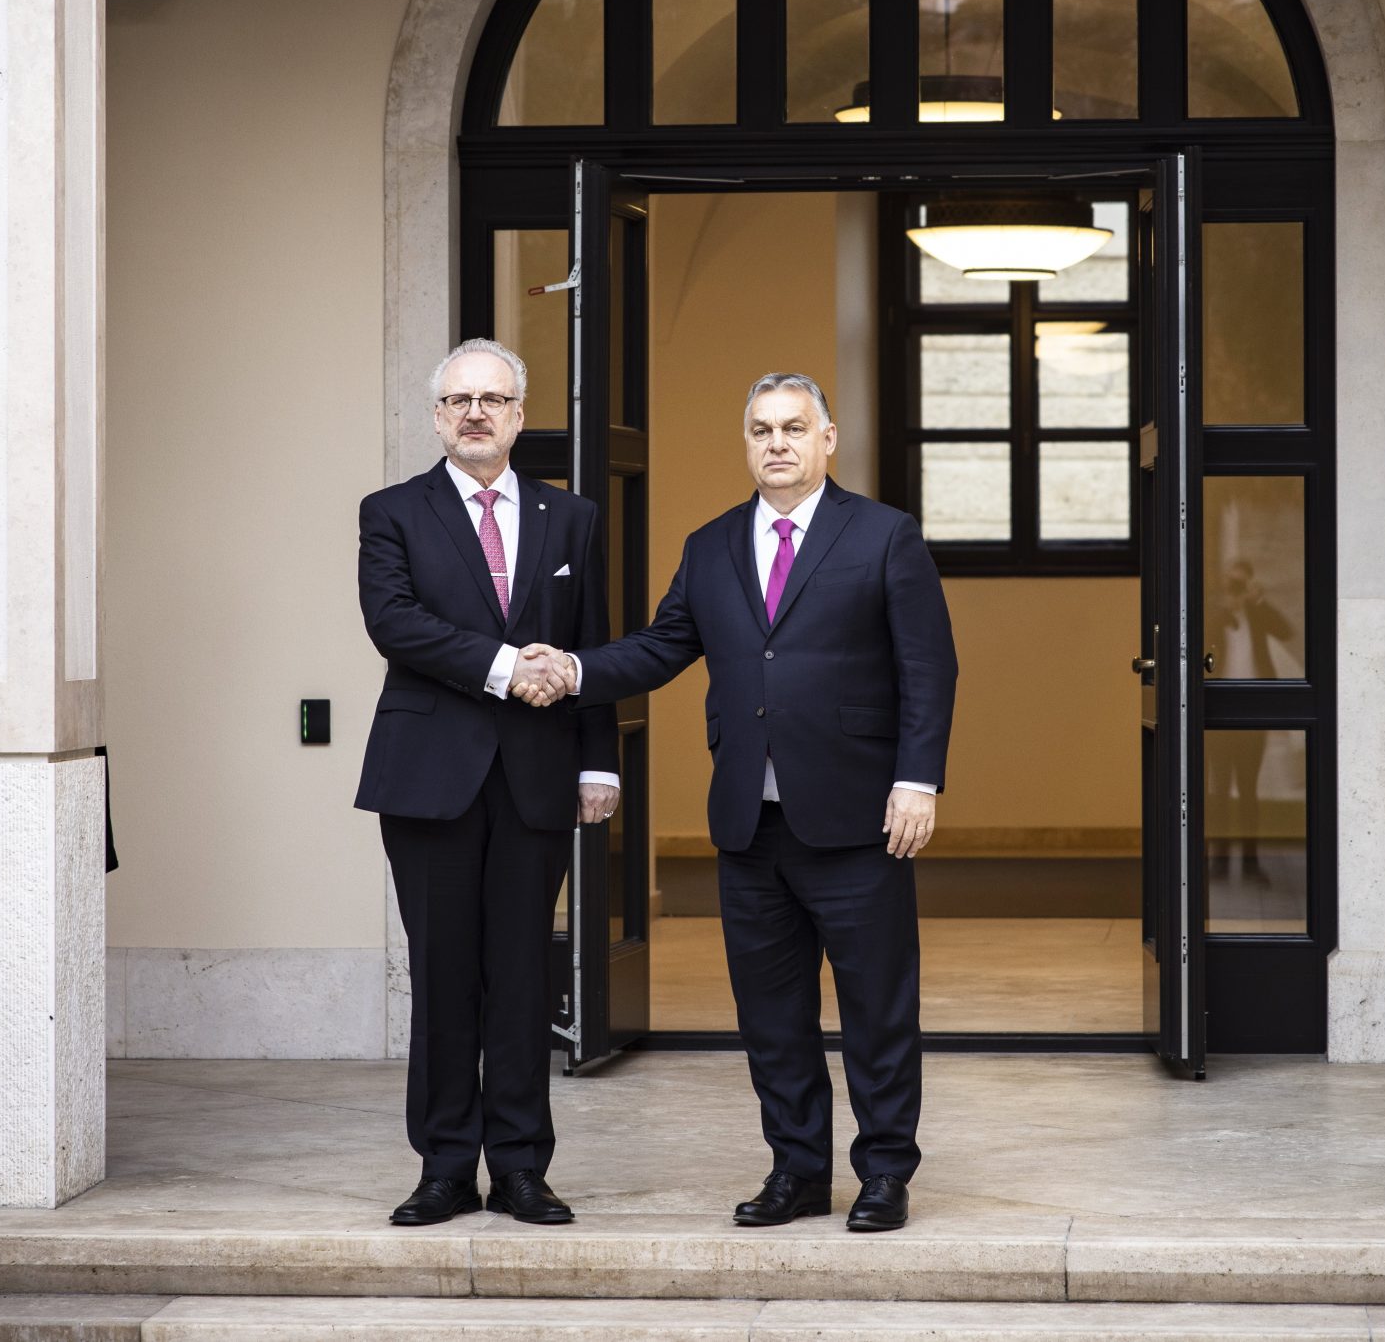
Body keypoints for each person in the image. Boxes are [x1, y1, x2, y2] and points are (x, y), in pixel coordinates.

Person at [521, 371, 956, 1233]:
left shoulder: (883, 536)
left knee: (877, 1007)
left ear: (829, 437)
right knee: (771, 1015)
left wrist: (918, 778)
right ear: (746, 441)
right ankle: (796, 1169)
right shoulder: (712, 543)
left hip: (860, 815)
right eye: (761, 429)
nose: (778, 443)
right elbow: (658, 647)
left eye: (795, 427)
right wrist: (574, 668)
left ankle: (883, 1173)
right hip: (749, 823)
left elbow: (928, 667)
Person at [353, 339, 617, 1227]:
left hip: (537, 778)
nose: (475, 412)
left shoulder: (570, 517)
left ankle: (520, 1168)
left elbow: (589, 641)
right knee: (443, 976)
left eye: (493, 399)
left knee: (521, 980)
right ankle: (441, 1167)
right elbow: (396, 624)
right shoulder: (391, 512)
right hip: (429, 779)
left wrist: (598, 760)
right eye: (459, 399)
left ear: (518, 414)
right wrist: (508, 667)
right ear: (437, 416)